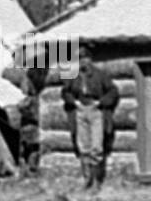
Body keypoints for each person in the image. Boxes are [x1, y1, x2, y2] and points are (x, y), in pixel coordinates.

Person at [61, 45, 119, 190]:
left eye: (85, 59)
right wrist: (73, 102)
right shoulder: (72, 75)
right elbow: (65, 92)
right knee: (83, 147)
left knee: (96, 147)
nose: (82, 62)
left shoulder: (100, 75)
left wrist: (101, 102)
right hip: (80, 111)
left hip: (96, 111)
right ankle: (87, 180)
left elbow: (113, 91)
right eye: (79, 59)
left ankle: (97, 181)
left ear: (90, 60)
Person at [17, 66, 48, 177]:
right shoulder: (32, 94)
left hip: (31, 122)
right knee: (29, 146)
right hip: (30, 122)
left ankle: (31, 168)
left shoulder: (32, 82)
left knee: (31, 147)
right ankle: (29, 168)